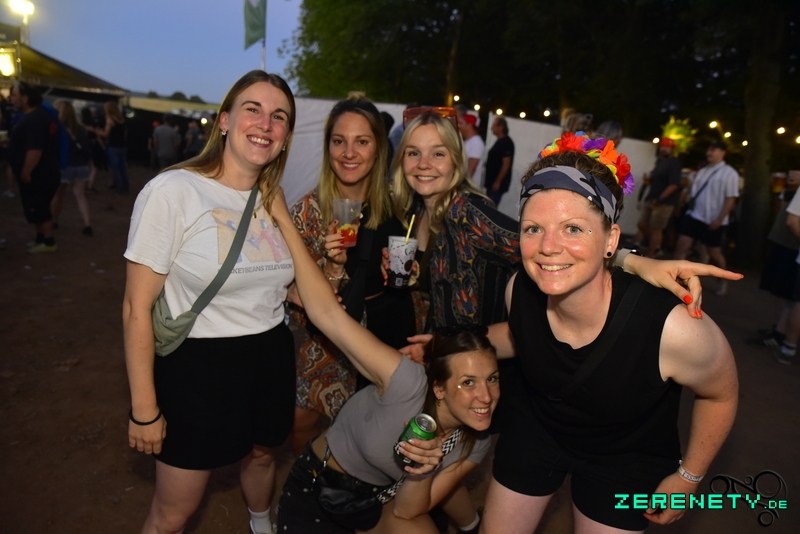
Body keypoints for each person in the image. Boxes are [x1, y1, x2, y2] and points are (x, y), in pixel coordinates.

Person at [479, 134, 739, 533]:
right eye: (533, 228)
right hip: (539, 429)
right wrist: (449, 346)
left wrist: (689, 477)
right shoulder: (521, 290)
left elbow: (721, 393)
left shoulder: (673, 328)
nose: (548, 246)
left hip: (626, 457)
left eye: (573, 228)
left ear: (611, 240)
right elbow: (522, 338)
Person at [122, 70, 297, 534]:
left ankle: (260, 522)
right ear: (224, 120)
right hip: (200, 368)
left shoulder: (272, 199)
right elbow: (136, 308)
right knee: (173, 513)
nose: (265, 124)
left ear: (285, 136)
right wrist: (144, 409)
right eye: (252, 110)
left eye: (279, 116)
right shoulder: (173, 191)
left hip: (270, 356)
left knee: (262, 454)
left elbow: (272, 282)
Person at [273, 190, 497, 533]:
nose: (486, 397)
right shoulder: (405, 381)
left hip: (382, 500)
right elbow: (328, 316)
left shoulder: (476, 440)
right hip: (320, 485)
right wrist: (284, 219)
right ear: (438, 387)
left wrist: (422, 469)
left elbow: (407, 510)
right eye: (468, 382)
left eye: (492, 379)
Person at [287, 93, 417, 454]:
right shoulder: (307, 212)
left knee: (378, 437)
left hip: (389, 330)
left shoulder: (398, 203)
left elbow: (416, 273)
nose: (349, 153)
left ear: (378, 149)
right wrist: (332, 267)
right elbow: (295, 303)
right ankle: (311, 478)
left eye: (362, 141)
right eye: (339, 141)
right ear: (327, 147)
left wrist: (413, 272)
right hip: (331, 338)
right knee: (300, 424)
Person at [673, 140, 739, 296]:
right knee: (682, 244)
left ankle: (723, 280)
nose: (709, 153)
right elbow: (693, 192)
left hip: (713, 220)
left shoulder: (730, 174)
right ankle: (675, 278)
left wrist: (720, 219)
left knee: (714, 252)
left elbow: (731, 198)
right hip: (695, 215)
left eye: (713, 150)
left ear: (723, 152)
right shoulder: (702, 171)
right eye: (709, 149)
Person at [8, 82, 61, 253]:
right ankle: (40, 239)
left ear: (25, 98)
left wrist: (26, 171)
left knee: (40, 207)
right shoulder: (37, 116)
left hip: (39, 174)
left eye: (14, 95)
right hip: (41, 172)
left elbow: (35, 150)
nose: (11, 99)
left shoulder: (35, 119)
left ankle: (48, 241)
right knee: (34, 207)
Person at [49, 100, 93, 237]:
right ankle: (87, 224)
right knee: (80, 196)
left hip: (65, 166)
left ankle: (54, 221)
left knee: (58, 195)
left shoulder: (57, 128)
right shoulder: (81, 128)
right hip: (81, 166)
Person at [637, 137, 682, 258]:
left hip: (664, 202)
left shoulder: (674, 163)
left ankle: (651, 255)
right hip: (652, 198)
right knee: (642, 224)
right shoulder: (660, 161)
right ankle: (655, 247)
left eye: (667, 147)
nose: (664, 149)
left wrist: (661, 199)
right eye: (662, 146)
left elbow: (674, 184)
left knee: (656, 228)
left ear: (672, 149)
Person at [93, 101, 129, 194]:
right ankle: (125, 187)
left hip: (113, 146)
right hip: (122, 146)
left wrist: (96, 131)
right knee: (122, 168)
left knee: (115, 168)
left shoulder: (110, 120)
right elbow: (125, 134)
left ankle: (119, 189)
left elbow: (106, 133)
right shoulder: (122, 119)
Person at [485, 117, 514, 206]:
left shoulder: (506, 143)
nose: (491, 128)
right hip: (491, 182)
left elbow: (506, 164)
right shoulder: (500, 141)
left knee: (490, 208)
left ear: (500, 127)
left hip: (496, 184)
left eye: (494, 126)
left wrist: (498, 182)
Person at [455, 106, 484, 186]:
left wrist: (462, 185)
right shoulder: (468, 141)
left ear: (469, 125)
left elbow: (471, 169)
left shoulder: (476, 143)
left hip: (467, 187)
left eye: (461, 123)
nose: (458, 126)